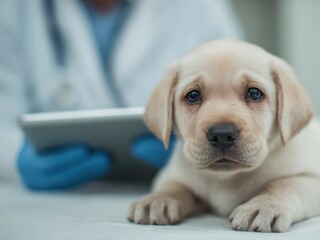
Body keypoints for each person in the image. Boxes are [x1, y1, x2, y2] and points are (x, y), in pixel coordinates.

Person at [0, 0, 242, 190]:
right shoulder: (14, 8)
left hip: (180, 191)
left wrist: (194, 141)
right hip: (54, 205)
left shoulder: (200, 6)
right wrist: (15, 158)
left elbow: (237, 92)